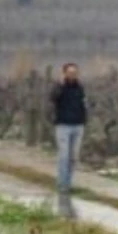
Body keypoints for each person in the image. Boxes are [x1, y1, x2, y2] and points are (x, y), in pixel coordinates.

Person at [49, 63, 87, 193]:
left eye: (74, 72)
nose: (72, 75)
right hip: (63, 125)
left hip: (78, 125)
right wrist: (60, 85)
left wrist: (83, 119)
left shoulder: (80, 87)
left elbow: (82, 103)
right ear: (64, 73)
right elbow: (53, 98)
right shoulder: (59, 87)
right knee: (64, 155)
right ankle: (62, 184)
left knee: (73, 157)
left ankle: (68, 183)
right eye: (70, 72)